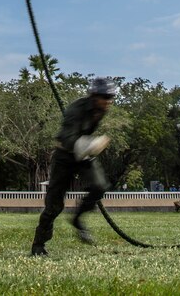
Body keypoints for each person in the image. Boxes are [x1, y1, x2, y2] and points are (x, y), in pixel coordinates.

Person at [31, 76, 116, 256]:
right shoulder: (76, 109)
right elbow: (68, 139)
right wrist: (93, 145)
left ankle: (77, 220)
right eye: (105, 97)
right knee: (54, 205)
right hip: (64, 156)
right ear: (94, 96)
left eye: (111, 98)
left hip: (83, 157)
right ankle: (39, 245)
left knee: (100, 186)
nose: (108, 102)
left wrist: (90, 147)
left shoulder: (101, 109)